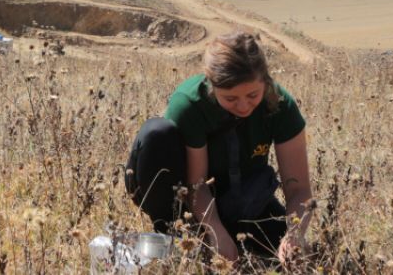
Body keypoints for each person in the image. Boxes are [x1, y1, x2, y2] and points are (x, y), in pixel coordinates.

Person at [124, 31, 312, 264]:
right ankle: (169, 233)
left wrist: (294, 235)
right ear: (212, 87)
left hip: (242, 195)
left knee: (276, 249)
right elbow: (198, 186)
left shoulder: (281, 105)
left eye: (253, 95)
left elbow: (299, 189)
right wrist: (216, 232)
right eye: (230, 99)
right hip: (189, 198)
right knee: (156, 134)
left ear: (265, 81)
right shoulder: (191, 104)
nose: (243, 106)